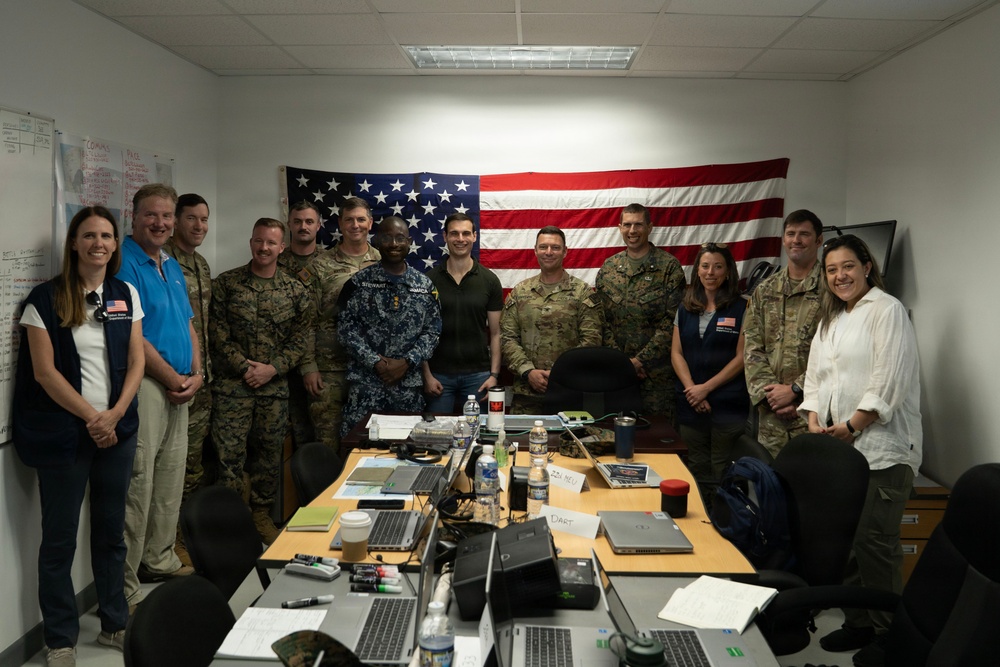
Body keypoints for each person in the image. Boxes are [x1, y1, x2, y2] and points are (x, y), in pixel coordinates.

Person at [13, 207, 144, 666]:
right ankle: (60, 639)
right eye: (89, 235)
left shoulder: (124, 293)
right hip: (65, 436)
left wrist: (117, 414)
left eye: (107, 235)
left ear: (115, 244)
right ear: (73, 243)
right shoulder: (44, 300)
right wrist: (94, 417)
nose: (99, 243)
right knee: (59, 540)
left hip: (117, 431)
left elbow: (136, 360)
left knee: (111, 534)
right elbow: (45, 374)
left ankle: (114, 623)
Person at [799, 235, 922, 666]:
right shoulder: (832, 320)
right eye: (832, 270)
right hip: (841, 451)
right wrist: (813, 418)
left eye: (848, 266)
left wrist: (853, 425)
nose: (840, 276)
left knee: (875, 543)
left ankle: (892, 635)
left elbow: (889, 380)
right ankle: (860, 623)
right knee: (847, 541)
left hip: (883, 451)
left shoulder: (886, 310)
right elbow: (814, 378)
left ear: (867, 266)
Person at [116, 184, 201, 608]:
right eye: (152, 215)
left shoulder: (170, 263)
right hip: (148, 385)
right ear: (133, 217)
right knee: (140, 483)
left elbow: (188, 323)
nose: (161, 223)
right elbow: (135, 335)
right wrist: (173, 378)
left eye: (167, 216)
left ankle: (160, 558)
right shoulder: (124, 261)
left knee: (170, 478)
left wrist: (197, 373)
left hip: (180, 384)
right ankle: (126, 585)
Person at [209, 218, 314, 544]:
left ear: (282, 247)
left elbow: (301, 340)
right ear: (251, 241)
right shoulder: (227, 284)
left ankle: (260, 516)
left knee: (269, 457)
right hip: (232, 388)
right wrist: (245, 369)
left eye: (271, 243)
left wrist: (271, 369)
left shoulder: (295, 289)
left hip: (273, 389)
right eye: (259, 241)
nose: (264, 248)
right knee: (228, 459)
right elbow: (216, 333)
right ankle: (230, 523)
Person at [337, 216, 441, 436]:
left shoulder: (424, 285)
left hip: (408, 388)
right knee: (360, 447)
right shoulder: (358, 283)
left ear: (410, 241)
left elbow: (432, 332)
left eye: (400, 238)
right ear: (376, 240)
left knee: (408, 448)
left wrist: (407, 362)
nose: (394, 244)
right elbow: (346, 330)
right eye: (387, 238)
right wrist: (376, 362)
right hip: (366, 386)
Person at [297, 196, 380, 451]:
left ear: (370, 223)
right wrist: (308, 366)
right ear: (340, 224)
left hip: (370, 370)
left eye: (361, 219)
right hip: (329, 370)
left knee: (368, 443)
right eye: (349, 220)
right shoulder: (319, 265)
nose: (355, 225)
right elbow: (305, 321)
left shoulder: (383, 262)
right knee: (328, 444)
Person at [743, 209, 823, 458]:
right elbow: (752, 348)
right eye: (790, 234)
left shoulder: (832, 291)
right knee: (772, 488)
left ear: (819, 241)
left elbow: (837, 355)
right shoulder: (765, 290)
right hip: (771, 417)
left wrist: (796, 391)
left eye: (804, 234)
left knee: (812, 489)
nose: (796, 240)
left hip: (814, 413)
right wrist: (773, 398)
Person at [595, 203, 686, 419]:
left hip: (656, 378)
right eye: (627, 225)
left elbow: (672, 322)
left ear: (650, 227)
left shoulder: (669, 268)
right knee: (614, 439)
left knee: (660, 442)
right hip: (616, 376)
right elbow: (600, 320)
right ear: (620, 228)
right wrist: (623, 363)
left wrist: (639, 362)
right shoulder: (608, 268)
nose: (632, 231)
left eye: (638, 224)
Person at [670, 243, 749, 485]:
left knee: (723, 467)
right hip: (691, 402)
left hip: (727, 403)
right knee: (695, 466)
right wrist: (693, 389)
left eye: (717, 267)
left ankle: (724, 520)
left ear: (728, 272)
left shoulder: (743, 306)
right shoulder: (686, 307)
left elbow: (742, 357)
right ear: (697, 270)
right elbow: (676, 353)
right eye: (705, 266)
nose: (710, 272)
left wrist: (706, 389)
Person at [500, 226, 601, 414]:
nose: (548, 252)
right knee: (523, 443)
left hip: (569, 392)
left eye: (555, 247)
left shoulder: (582, 292)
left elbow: (591, 341)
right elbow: (508, 338)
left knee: (570, 443)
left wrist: (559, 372)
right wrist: (528, 371)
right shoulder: (520, 292)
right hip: (526, 395)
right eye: (543, 247)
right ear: (535, 251)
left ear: (565, 251)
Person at [163, 193, 212, 567]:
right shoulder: (163, 261)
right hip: (174, 381)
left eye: (204, 219)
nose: (199, 226)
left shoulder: (201, 264)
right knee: (174, 469)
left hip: (203, 379)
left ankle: (189, 535)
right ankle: (171, 541)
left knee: (194, 465)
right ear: (176, 220)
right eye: (192, 218)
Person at [423, 213, 503, 412]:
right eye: (454, 233)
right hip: (438, 376)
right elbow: (419, 332)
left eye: (466, 233)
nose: (460, 239)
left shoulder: (490, 280)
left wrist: (493, 375)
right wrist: (426, 376)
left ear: (475, 236)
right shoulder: (428, 280)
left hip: (478, 376)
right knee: (436, 439)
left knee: (480, 436)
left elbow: (496, 333)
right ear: (445, 237)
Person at [278, 200, 325, 447]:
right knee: (290, 436)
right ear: (289, 225)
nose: (303, 227)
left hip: (323, 362)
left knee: (322, 433)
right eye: (297, 221)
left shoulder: (330, 262)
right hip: (283, 365)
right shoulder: (274, 262)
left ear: (319, 225)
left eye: (309, 221)